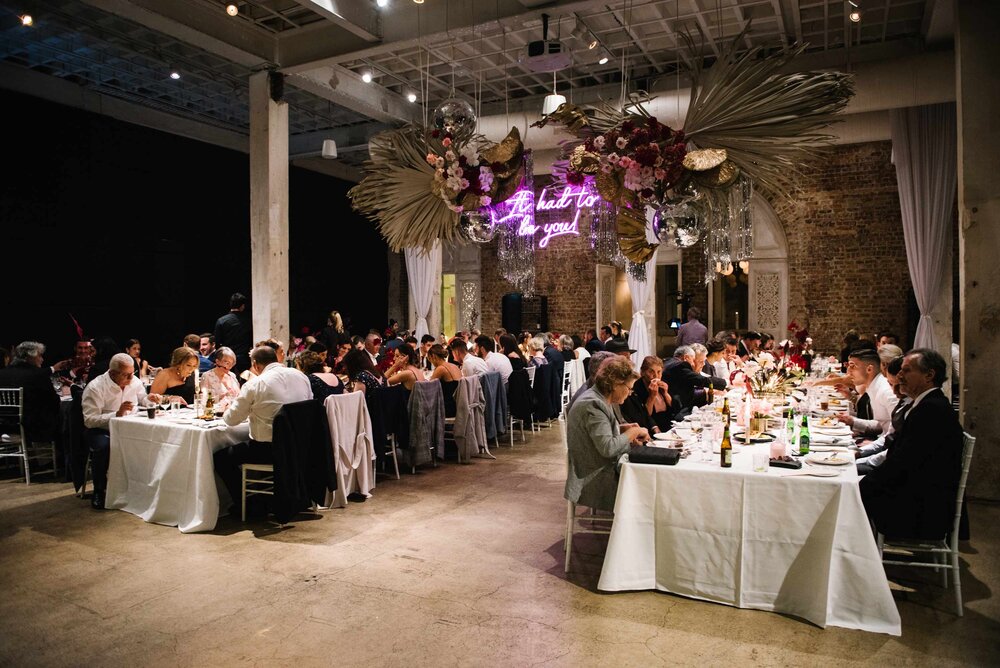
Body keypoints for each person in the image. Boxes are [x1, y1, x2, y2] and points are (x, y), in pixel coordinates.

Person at [860, 349, 964, 539]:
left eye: (906, 370)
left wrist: (862, 484)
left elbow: (902, 462)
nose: (899, 375)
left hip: (923, 509)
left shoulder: (931, 411)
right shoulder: (927, 404)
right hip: (919, 494)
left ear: (929, 375)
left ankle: (853, 557)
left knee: (850, 494)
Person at [214, 346, 313, 515]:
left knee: (221, 458)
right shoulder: (301, 376)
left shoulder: (256, 383)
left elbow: (231, 420)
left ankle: (248, 506)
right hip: (301, 446)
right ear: (276, 358)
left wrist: (231, 408)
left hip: (271, 450)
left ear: (255, 365)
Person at [564, 356, 649, 513]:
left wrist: (623, 429)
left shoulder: (599, 397)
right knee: (651, 488)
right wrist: (633, 432)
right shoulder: (593, 404)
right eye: (629, 388)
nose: (630, 393)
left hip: (599, 470)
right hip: (595, 480)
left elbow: (598, 434)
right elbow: (608, 448)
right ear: (616, 384)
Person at [82, 353, 162, 509]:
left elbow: (142, 399)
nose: (131, 378)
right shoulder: (96, 387)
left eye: (133, 373)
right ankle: (99, 490)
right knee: (103, 446)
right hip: (102, 429)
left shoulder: (134, 381)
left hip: (129, 427)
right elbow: (90, 420)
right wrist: (116, 414)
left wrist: (149, 399)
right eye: (126, 374)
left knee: (152, 439)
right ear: (112, 373)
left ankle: (141, 488)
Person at [0, 341, 60, 444]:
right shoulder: (39, 375)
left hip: (3, 427)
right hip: (31, 429)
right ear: (30, 357)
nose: (42, 359)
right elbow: (54, 401)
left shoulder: (2, 374)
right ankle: (59, 458)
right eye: (40, 356)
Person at [836, 348, 896, 437]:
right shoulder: (873, 387)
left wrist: (865, 449)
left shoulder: (886, 391)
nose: (848, 371)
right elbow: (881, 424)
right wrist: (852, 421)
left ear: (869, 369)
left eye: (852, 366)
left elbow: (895, 433)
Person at [620, 356, 676, 434]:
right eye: (651, 371)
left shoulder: (664, 383)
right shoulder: (636, 387)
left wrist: (665, 393)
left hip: (669, 424)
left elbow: (675, 408)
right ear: (642, 372)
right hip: (650, 428)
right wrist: (652, 396)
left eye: (659, 372)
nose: (656, 376)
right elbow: (644, 416)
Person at [661, 345, 726, 411]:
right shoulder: (680, 365)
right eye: (693, 360)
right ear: (686, 358)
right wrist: (724, 383)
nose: (692, 364)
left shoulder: (668, 361)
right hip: (674, 408)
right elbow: (701, 380)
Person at [214, 293, 253, 373]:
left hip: (226, 359)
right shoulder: (248, 320)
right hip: (243, 358)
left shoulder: (221, 321)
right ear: (242, 306)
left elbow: (217, 342)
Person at [200, 346, 242, 411]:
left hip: (234, 411)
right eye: (227, 363)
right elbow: (204, 400)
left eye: (232, 363)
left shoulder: (232, 375)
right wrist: (221, 397)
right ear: (217, 361)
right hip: (216, 412)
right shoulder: (207, 376)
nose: (230, 366)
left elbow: (240, 396)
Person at [427, 343, 462, 417]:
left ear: (433, 356)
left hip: (448, 408)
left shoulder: (441, 368)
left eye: (429, 359)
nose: (431, 362)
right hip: (458, 405)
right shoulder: (454, 366)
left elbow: (429, 388)